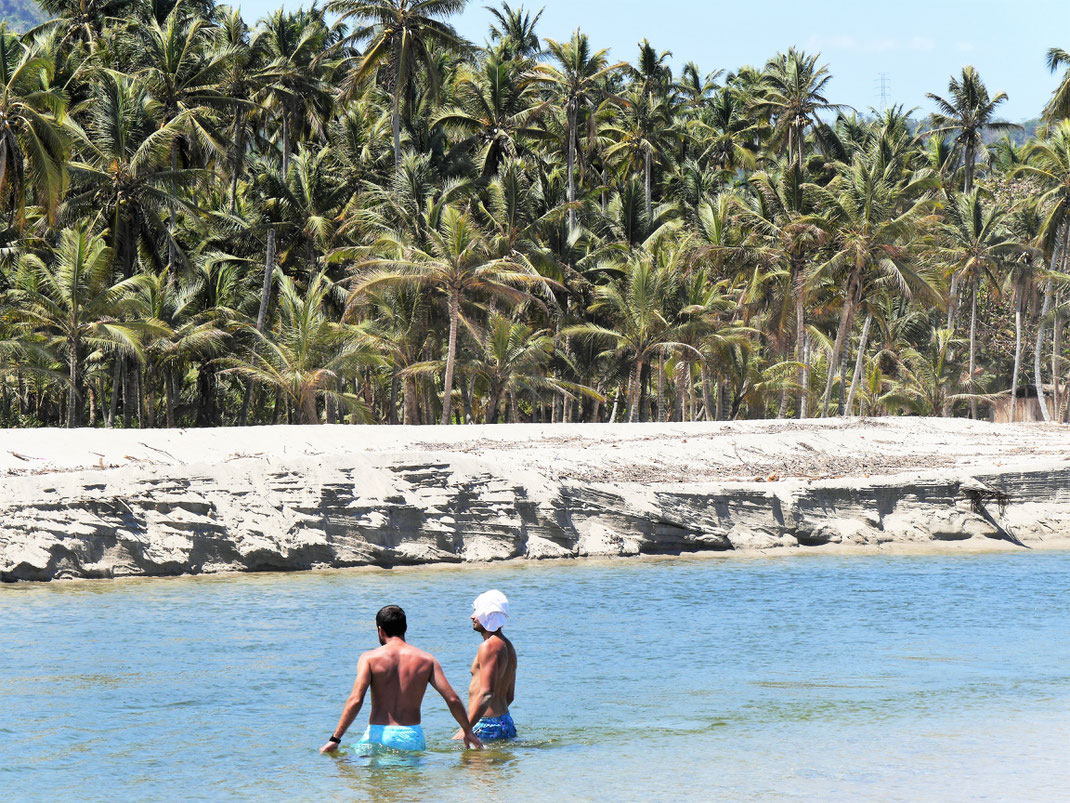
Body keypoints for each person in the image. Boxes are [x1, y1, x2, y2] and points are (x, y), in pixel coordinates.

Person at [320, 605, 483, 754]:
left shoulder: (369, 658)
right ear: (405, 628)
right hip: (411, 736)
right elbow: (452, 698)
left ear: (380, 630)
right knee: (409, 784)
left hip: (378, 735)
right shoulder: (427, 660)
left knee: (374, 785)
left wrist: (335, 739)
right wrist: (467, 730)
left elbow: (356, 700)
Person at [454, 590, 518, 743]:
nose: (472, 616)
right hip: (505, 721)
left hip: (486, 725)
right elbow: (510, 696)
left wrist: (467, 728)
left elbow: (487, 694)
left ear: (488, 615)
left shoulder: (488, 646)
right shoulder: (508, 646)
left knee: (473, 766)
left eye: (477, 611)